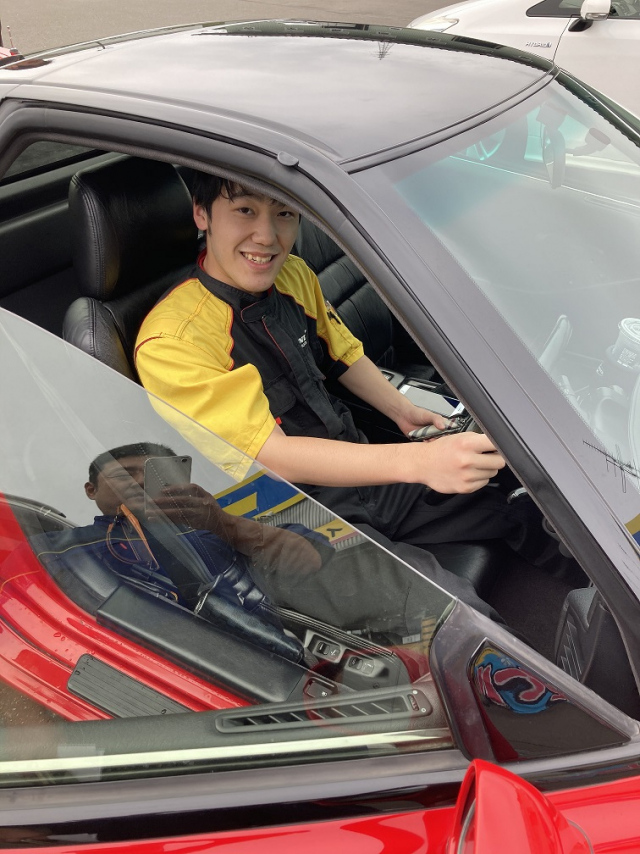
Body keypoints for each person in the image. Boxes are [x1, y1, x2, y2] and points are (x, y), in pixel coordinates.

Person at [134, 175, 545, 559]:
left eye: (284, 213)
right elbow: (273, 457)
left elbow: (342, 352)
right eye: (245, 210)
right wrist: (419, 463)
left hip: (357, 466)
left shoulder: (293, 276)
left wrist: (403, 411)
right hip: (292, 519)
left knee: (522, 510)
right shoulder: (173, 341)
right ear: (201, 213)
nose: (267, 236)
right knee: (451, 608)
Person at [27, 443, 506, 651]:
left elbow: (311, 559)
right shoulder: (64, 550)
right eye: (123, 475)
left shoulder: (210, 521)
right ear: (91, 490)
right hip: (206, 663)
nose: (138, 484)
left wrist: (223, 525)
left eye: (151, 474)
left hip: (290, 624)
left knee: (416, 582)